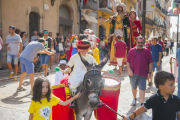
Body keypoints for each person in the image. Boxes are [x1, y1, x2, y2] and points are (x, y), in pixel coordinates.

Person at [64, 40, 97, 108]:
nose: (83, 52)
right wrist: (67, 70)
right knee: (73, 86)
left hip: (88, 76)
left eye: (84, 50)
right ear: (78, 49)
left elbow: (96, 65)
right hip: (77, 76)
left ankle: (98, 100)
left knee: (96, 85)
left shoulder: (90, 57)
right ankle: (73, 101)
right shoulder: (74, 57)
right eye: (81, 50)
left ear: (88, 49)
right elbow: (69, 66)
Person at [127, 36, 153, 106]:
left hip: (143, 74)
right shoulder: (131, 51)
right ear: (136, 42)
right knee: (134, 87)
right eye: (139, 42)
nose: (140, 44)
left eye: (142, 42)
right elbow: (128, 61)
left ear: (143, 42)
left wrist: (149, 72)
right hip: (133, 74)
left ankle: (142, 103)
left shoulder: (147, 51)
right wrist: (129, 70)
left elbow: (150, 62)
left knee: (142, 89)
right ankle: (134, 99)